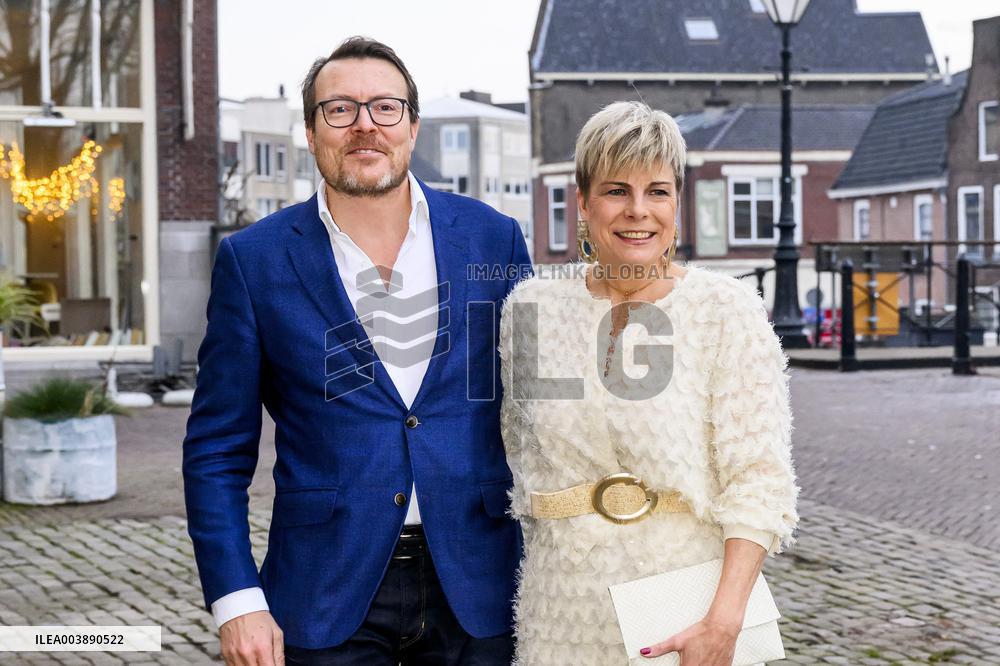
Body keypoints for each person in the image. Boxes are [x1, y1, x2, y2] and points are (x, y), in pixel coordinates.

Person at [183, 36, 531, 666]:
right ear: (313, 135)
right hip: (322, 593)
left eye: (385, 108)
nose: (365, 124)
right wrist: (237, 599)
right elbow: (216, 449)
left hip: (480, 586)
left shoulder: (493, 240)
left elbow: (539, 409)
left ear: (413, 127)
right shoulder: (253, 261)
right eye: (339, 109)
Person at [498, 101, 800, 665]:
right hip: (560, 609)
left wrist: (723, 622)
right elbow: (521, 455)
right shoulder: (531, 309)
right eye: (617, 190)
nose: (638, 211)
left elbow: (760, 482)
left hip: (687, 607)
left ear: (676, 203)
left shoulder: (725, 311)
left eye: (657, 191)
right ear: (583, 202)